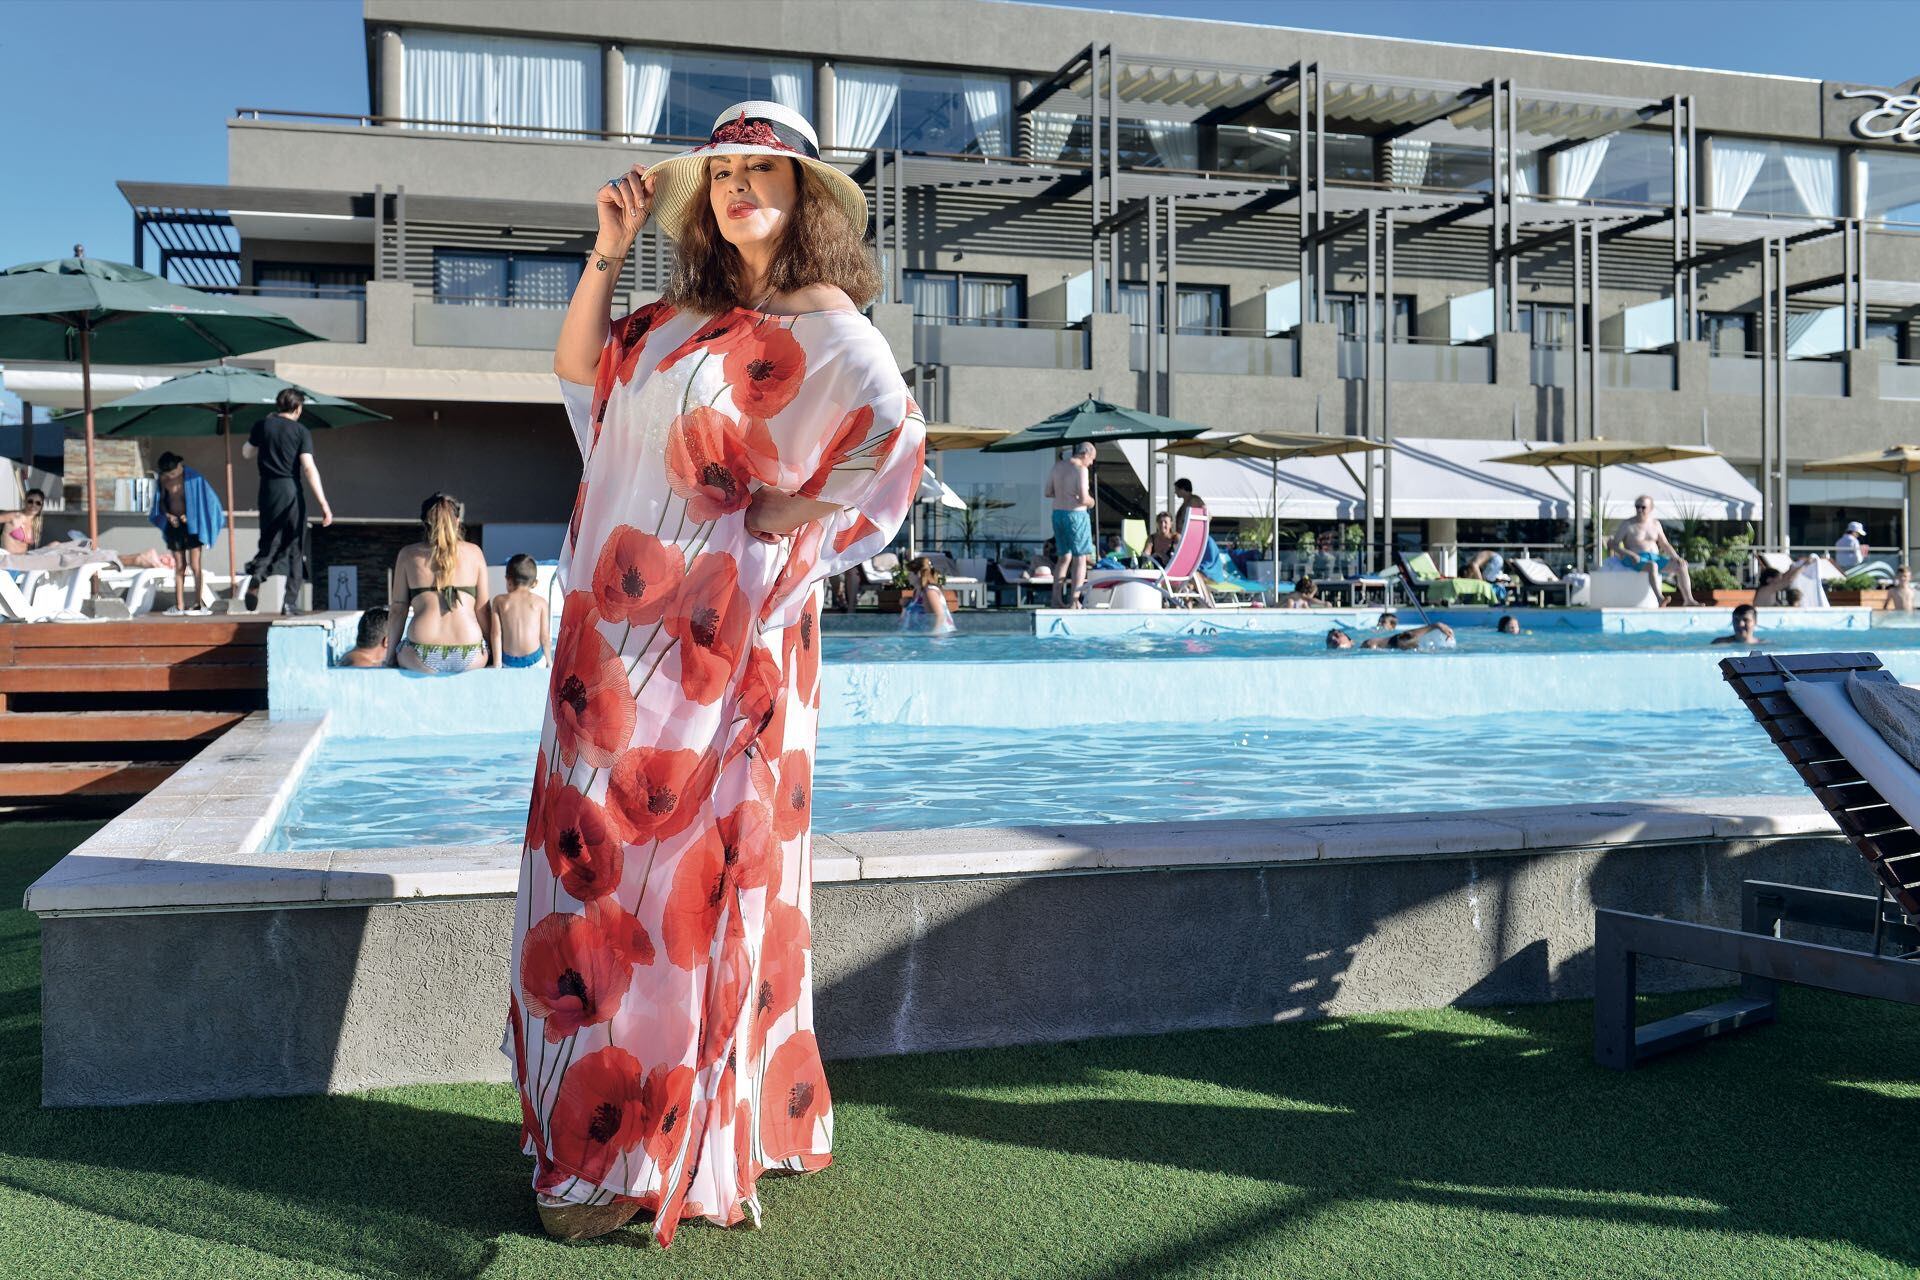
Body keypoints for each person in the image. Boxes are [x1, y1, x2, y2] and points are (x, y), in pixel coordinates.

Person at [520, 99, 923, 1245]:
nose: (743, 186)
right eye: (727, 172)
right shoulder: (681, 315)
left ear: (807, 196)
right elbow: (578, 377)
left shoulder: (825, 321)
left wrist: (778, 518)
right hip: (615, 640)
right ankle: (622, 1128)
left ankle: (654, 1148)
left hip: (718, 646)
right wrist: (606, 251)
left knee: (681, 882)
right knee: (595, 874)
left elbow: (892, 438)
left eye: (767, 170)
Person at [242, 388, 333, 615]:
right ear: (298, 408)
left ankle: (257, 575)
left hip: (267, 491)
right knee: (295, 546)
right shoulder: (301, 431)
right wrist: (323, 503)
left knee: (268, 541)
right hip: (290, 490)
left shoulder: (263, 426)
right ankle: (289, 602)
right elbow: (309, 467)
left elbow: (246, 452)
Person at [383, 493, 490, 674]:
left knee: (402, 649)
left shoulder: (408, 555)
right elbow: (483, 609)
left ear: (424, 523)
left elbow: (398, 610)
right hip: (469, 653)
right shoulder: (475, 553)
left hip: (420, 653)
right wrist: (493, 650)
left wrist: (389, 657)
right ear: (457, 521)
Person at [149, 452, 226, 614]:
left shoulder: (193, 478)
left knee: (195, 565)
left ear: (179, 466)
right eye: (168, 474)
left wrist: (190, 516)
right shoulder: (163, 481)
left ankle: (198, 603)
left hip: (192, 526)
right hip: (175, 526)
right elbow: (161, 503)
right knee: (179, 566)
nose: (172, 476)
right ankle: (179, 605)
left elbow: (204, 501)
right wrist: (169, 516)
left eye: (174, 473)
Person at [1606, 495, 1700, 607]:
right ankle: (1660, 599)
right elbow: (1613, 544)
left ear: (1650, 508)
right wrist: (1629, 554)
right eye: (1637, 507)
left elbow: (1664, 544)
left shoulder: (1655, 524)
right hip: (1634, 558)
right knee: (1652, 566)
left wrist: (1676, 557)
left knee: (1682, 566)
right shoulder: (1628, 524)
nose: (1639, 510)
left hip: (1654, 557)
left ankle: (1688, 600)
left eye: (1643, 507)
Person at [1044, 441, 1096, 608]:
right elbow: (1082, 498)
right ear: (1086, 454)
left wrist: (1063, 493)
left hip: (1058, 514)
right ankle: (1074, 601)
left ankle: (1055, 599)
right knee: (1080, 558)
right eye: (1092, 458)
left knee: (1063, 557)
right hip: (1076, 516)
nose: (1092, 462)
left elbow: (1048, 492)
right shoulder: (1081, 469)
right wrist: (1092, 501)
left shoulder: (1057, 466)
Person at [490, 553, 550, 668]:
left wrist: (497, 663)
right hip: (534, 659)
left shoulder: (500, 601)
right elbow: (545, 636)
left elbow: (496, 634)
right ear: (534, 583)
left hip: (508, 660)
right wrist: (549, 662)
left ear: (508, 580)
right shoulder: (540, 602)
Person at [900, 554, 956, 634]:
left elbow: (940, 616)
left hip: (937, 640)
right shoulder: (918, 592)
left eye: (910, 573)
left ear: (918, 573)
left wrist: (933, 639)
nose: (907, 577)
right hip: (918, 639)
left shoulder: (930, 591)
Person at [1327, 620, 1454, 651]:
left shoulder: (1368, 645)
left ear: (1352, 641)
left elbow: (1399, 640)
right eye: (1329, 640)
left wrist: (1433, 626)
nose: (1333, 639)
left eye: (1337, 635)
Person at [1, 488, 44, 554]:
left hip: (23, 559)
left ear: (41, 506)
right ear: (25, 502)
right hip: (7, 558)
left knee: (55, 544)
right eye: (30, 501)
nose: (33, 505)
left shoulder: (36, 523)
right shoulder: (14, 516)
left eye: (38, 503)